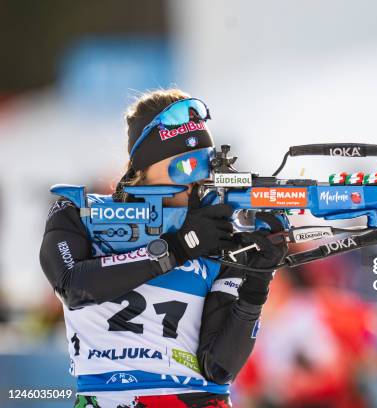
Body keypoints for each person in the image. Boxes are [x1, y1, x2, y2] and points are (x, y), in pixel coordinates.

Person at [39, 89, 288, 408]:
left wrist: (257, 283)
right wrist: (179, 247)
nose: (196, 180)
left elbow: (218, 368)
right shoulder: (78, 212)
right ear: (141, 168)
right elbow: (73, 285)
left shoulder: (217, 231)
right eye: (184, 168)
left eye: (205, 166)